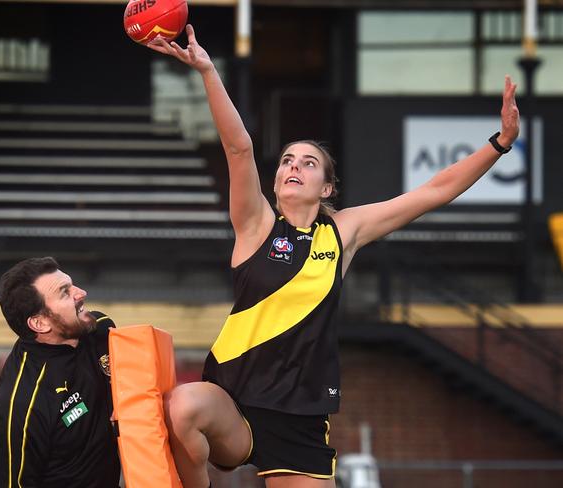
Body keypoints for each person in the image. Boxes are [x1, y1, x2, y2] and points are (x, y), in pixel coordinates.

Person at [149, 25, 519, 488]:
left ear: (326, 188)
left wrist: (500, 143)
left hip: (300, 417)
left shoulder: (343, 232)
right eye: (286, 160)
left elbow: (434, 191)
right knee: (182, 406)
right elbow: (239, 148)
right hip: (234, 402)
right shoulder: (256, 225)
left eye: (307, 162)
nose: (292, 167)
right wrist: (207, 70)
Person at [0, 256, 121, 488]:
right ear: (39, 323)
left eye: (72, 284)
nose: (82, 293)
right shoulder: (20, 406)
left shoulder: (101, 329)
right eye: (64, 292)